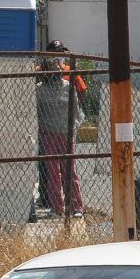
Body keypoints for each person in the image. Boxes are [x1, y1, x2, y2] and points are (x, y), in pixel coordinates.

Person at [35, 42, 85, 219]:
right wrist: (41, 130)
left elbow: (77, 110)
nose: (55, 65)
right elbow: (37, 113)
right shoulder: (39, 90)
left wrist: (74, 129)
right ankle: (57, 207)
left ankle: (76, 207)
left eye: (58, 61)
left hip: (66, 133)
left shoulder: (68, 86)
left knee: (70, 171)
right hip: (48, 133)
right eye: (51, 62)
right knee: (52, 173)